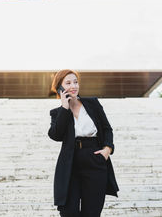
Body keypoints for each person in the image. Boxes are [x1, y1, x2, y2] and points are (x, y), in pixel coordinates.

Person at [48, 69, 119, 217]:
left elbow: (107, 129)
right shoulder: (58, 112)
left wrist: (107, 150)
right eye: (68, 83)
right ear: (59, 88)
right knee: (68, 212)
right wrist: (65, 107)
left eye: (75, 82)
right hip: (70, 163)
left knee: (92, 213)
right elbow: (56, 135)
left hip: (94, 158)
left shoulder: (92, 103)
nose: (73, 86)